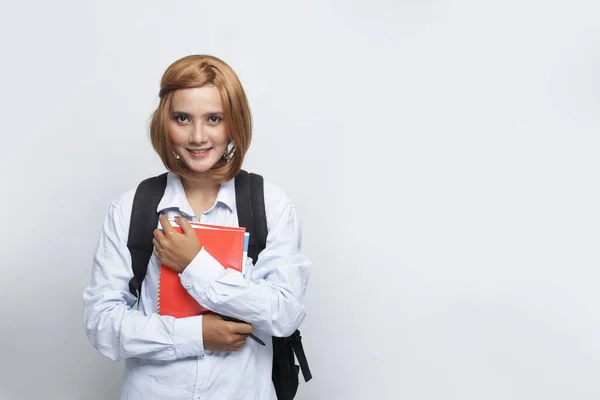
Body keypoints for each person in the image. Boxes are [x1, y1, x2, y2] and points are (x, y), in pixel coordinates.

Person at [82, 54, 311, 400]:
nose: (198, 136)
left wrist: (195, 264)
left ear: (233, 124)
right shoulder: (133, 207)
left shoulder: (270, 205)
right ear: (165, 122)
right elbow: (101, 324)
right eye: (182, 118)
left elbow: (284, 314)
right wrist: (197, 335)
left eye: (214, 119)